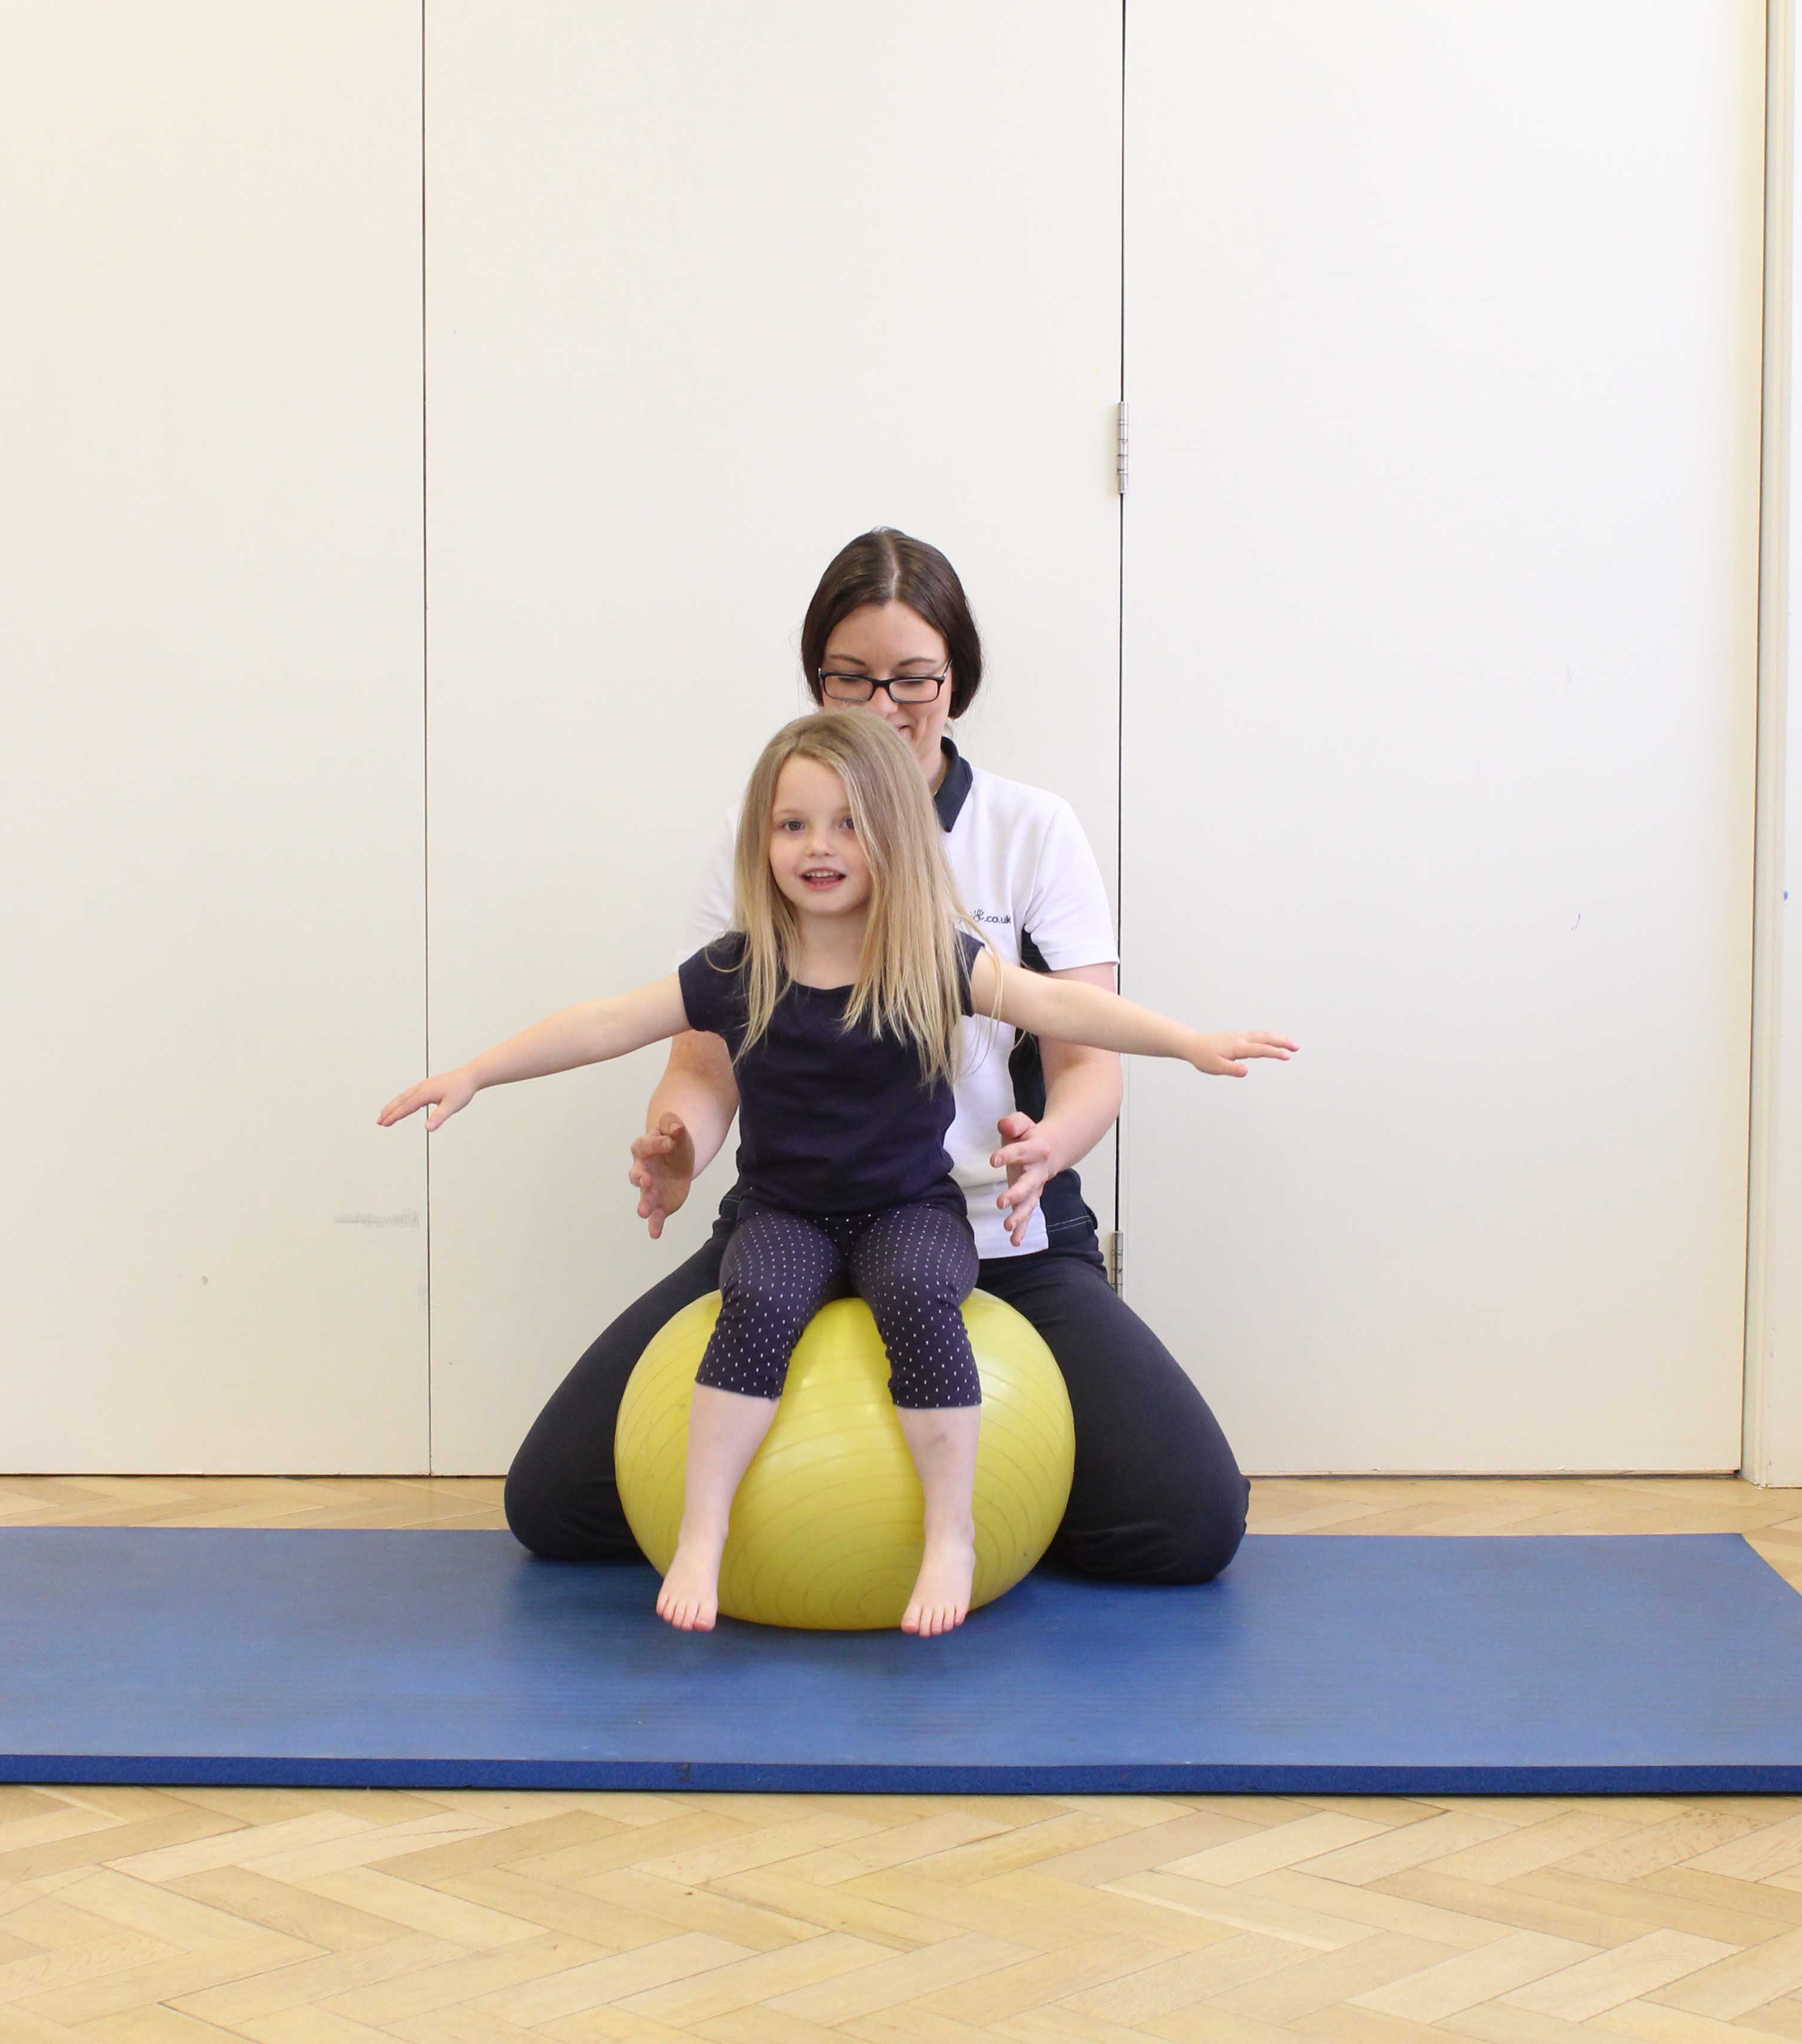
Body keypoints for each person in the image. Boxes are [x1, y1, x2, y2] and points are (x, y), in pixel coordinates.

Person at [385, 711, 1292, 1633]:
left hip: (909, 1210)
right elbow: (609, 1022)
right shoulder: (741, 968)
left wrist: (1188, 1043)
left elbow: (1059, 1005)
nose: (819, 847)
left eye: (849, 823)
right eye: (793, 825)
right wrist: (476, 1072)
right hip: (786, 1214)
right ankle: (703, 1532)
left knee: (921, 1300)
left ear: (894, 835)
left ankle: (950, 1535)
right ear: (763, 841)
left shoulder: (930, 958)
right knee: (757, 1308)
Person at [507, 527, 1260, 1586]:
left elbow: (1088, 1055)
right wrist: (682, 1136)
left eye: (914, 679)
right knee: (556, 1505)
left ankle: (975, 1510)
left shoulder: (1029, 830)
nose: (884, 707)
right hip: (792, 1218)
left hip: (996, 1232)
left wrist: (1051, 1145)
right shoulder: (776, 827)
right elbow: (705, 1054)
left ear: (957, 680)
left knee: (1184, 1523)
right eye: (849, 680)